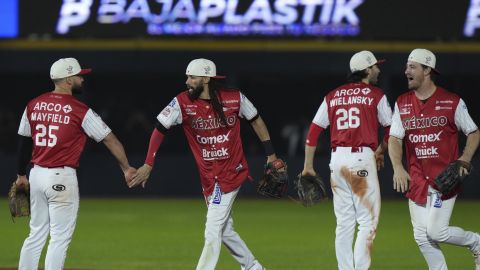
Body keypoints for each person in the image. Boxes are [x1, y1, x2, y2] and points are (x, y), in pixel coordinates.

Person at [128, 58, 279, 270]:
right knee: (225, 231)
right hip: (209, 176)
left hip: (230, 172)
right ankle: (254, 267)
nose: (187, 81)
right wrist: (148, 163)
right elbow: (159, 128)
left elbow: (256, 120)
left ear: (206, 79)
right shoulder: (182, 103)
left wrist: (270, 154)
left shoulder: (234, 98)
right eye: (187, 76)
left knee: (212, 228)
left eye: (192, 77)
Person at [15, 58, 136, 270]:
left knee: (35, 235)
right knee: (59, 239)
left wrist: (20, 175)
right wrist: (126, 168)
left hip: (36, 174)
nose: (82, 79)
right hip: (61, 177)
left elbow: (25, 141)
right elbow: (110, 139)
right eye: (80, 76)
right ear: (69, 79)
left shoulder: (33, 104)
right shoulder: (79, 109)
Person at [388, 48, 480, 270]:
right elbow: (394, 138)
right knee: (421, 237)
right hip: (417, 178)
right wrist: (397, 167)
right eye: (406, 66)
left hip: (443, 178)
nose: (406, 71)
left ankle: (476, 242)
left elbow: (474, 132)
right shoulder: (402, 102)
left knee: (436, 231)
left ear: (427, 70)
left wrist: (465, 158)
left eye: (412, 66)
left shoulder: (451, 101)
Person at [301, 51, 392, 270]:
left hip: (337, 160)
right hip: (362, 158)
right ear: (367, 69)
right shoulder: (376, 95)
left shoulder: (332, 96)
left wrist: (307, 166)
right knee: (367, 222)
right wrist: (380, 151)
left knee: (344, 225)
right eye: (375, 66)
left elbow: (313, 133)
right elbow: (392, 130)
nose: (378, 70)